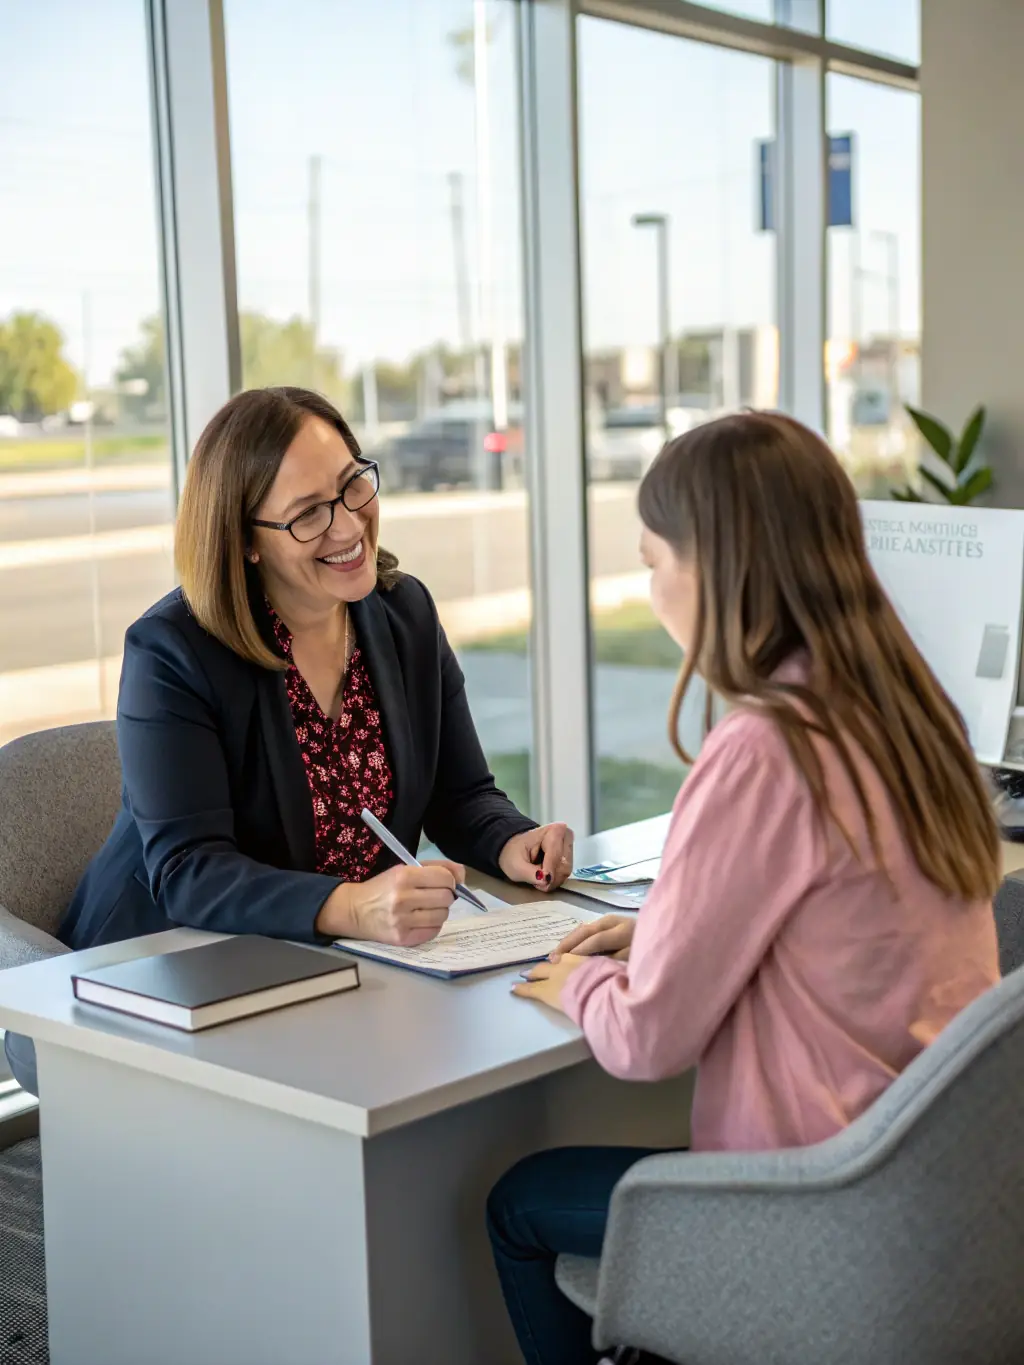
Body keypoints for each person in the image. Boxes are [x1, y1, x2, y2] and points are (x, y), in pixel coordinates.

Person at [486, 411, 1002, 1365]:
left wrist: (580, 984)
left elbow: (646, 1040)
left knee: (519, 1202)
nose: (650, 591)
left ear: (714, 568)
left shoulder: (769, 747)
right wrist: (656, 936)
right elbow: (831, 924)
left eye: (652, 562)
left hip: (810, 1200)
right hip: (931, 1196)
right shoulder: (906, 711)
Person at [5, 386, 572, 1096]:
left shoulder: (405, 614)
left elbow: (460, 795)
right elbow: (188, 871)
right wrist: (351, 905)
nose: (348, 525)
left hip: (332, 972)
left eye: (352, 485)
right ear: (245, 539)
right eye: (309, 514)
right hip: (167, 973)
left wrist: (511, 841)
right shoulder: (173, 652)